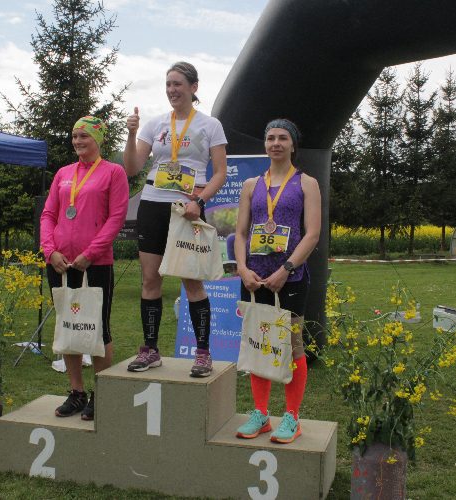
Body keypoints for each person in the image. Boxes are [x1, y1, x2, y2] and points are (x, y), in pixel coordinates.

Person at [123, 61, 228, 377]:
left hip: (187, 209)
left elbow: (220, 173)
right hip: (153, 204)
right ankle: (150, 349)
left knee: (191, 281)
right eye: (168, 84)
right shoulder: (155, 124)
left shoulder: (210, 125)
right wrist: (131, 134)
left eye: (178, 84)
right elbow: (132, 168)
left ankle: (203, 354)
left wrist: (199, 201)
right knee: (150, 279)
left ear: (193, 87)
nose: (172, 90)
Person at [233, 118, 321, 444]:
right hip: (255, 280)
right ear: (265, 143)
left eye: (283, 138)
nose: (276, 143)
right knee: (259, 345)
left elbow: (312, 234)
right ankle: (260, 414)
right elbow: (240, 233)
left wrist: (286, 269)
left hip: (290, 279)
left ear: (293, 144)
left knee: (292, 346)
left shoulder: (306, 183)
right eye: (270, 138)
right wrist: (243, 269)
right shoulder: (251, 185)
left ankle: (292, 417)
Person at [40, 115, 129, 420]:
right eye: (75, 136)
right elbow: (48, 215)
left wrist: (91, 253)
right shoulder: (63, 174)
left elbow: (116, 217)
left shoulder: (113, 172)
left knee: (97, 327)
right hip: (60, 264)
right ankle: (76, 392)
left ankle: (100, 394)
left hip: (95, 263)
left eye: (84, 136)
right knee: (69, 325)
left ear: (98, 139)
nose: (78, 141)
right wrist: (49, 251)